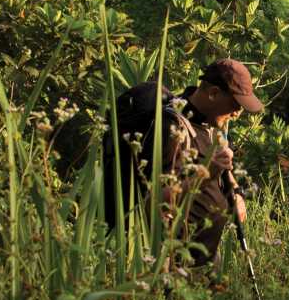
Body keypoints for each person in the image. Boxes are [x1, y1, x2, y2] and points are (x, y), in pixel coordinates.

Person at [110, 58, 264, 265]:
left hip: (202, 259)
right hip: (168, 264)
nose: (237, 113)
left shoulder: (211, 125)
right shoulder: (171, 129)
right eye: (235, 104)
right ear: (213, 93)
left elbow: (225, 173)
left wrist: (236, 194)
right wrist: (204, 175)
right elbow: (153, 202)